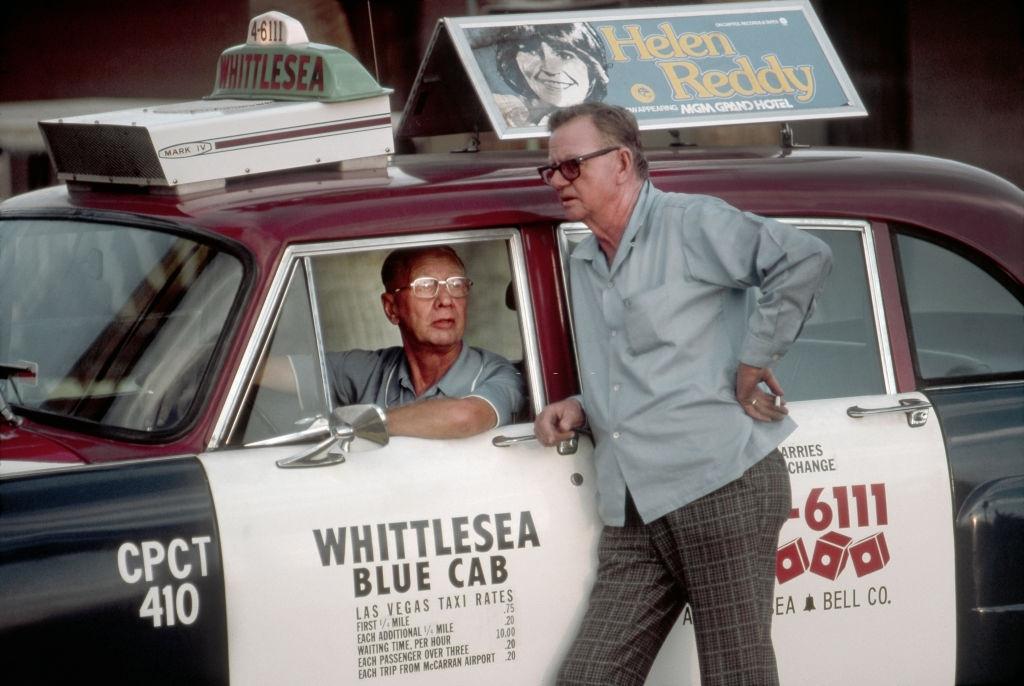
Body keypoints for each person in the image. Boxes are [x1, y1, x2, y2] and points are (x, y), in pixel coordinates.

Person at [533, 103, 832, 685]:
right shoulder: (584, 258)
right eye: (550, 170)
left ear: (621, 163)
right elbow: (636, 369)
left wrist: (755, 358)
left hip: (719, 482)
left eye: (571, 166)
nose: (557, 181)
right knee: (589, 676)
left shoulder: (689, 222)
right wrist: (582, 404)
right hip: (636, 502)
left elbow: (803, 258)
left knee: (735, 675)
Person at [263, 246, 525, 439]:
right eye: (425, 286)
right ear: (391, 309)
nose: (446, 300)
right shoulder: (370, 369)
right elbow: (259, 371)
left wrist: (349, 424)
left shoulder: (496, 371)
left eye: (456, 285)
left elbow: (464, 416)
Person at [490, 23, 610, 127]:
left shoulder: (614, 124)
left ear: (594, 68)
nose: (550, 69)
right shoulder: (498, 108)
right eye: (532, 52)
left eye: (565, 55)